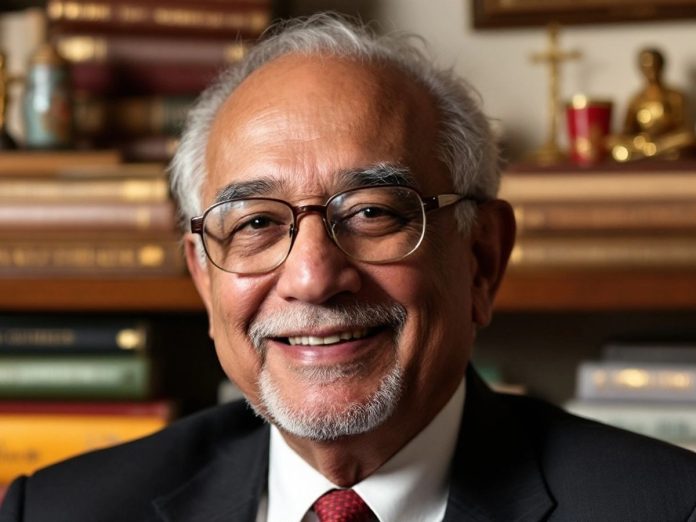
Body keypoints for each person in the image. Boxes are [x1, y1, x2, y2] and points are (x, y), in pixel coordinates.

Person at [2, 14, 696, 522]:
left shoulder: (667, 509)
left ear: (482, 258)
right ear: (202, 277)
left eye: (372, 213)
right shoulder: (60, 511)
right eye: (255, 223)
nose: (312, 276)